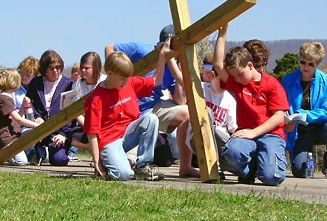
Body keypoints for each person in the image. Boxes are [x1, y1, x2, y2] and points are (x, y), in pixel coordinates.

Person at [105, 25, 198, 177]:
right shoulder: (142, 50)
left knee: (187, 112)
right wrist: (118, 80)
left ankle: (185, 167)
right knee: (126, 165)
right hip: (128, 109)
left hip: (152, 108)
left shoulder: (174, 65)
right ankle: (127, 160)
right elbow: (110, 48)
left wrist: (178, 67)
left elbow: (180, 101)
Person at [84, 37, 173, 181]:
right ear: (109, 73)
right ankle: (110, 164)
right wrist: (96, 163)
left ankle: (143, 166)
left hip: (127, 134)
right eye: (121, 78)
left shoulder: (129, 83)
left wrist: (162, 55)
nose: (125, 82)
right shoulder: (95, 99)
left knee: (151, 119)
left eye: (127, 78)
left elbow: (157, 81)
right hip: (108, 141)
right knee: (124, 175)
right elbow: (92, 133)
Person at [213, 25, 289, 185]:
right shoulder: (238, 83)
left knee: (270, 177)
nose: (237, 79)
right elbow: (218, 65)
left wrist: (255, 132)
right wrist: (222, 34)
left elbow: (279, 116)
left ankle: (267, 164)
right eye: (234, 76)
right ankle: (250, 170)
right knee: (232, 152)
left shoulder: (271, 84)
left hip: (270, 134)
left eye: (240, 74)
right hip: (246, 133)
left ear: (250, 65)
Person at [281, 41, 327, 179]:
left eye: (311, 64)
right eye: (303, 62)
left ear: (317, 64)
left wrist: (305, 114)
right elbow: (281, 106)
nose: (306, 67)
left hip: (322, 126)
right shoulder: (287, 80)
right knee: (300, 172)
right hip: (299, 130)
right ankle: (300, 156)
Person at [26, 50, 88, 166]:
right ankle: (38, 151)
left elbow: (72, 113)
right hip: (39, 128)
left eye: (58, 67)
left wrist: (64, 134)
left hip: (59, 131)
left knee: (59, 160)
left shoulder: (68, 84)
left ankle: (60, 150)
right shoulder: (36, 83)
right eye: (51, 68)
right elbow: (29, 102)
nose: (55, 70)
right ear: (45, 69)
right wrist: (37, 116)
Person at [186, 53, 237, 175]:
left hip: (221, 143)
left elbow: (233, 129)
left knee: (222, 134)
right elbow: (182, 79)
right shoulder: (200, 88)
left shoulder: (230, 100)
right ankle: (215, 168)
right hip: (198, 138)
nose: (227, 83)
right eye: (224, 79)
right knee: (207, 113)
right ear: (213, 75)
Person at [0, 69, 42, 165]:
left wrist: (23, 105)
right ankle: (1, 151)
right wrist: (36, 125)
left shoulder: (9, 97)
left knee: (34, 133)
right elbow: (19, 120)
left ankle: (21, 153)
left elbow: (16, 116)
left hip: (15, 135)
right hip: (7, 137)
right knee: (21, 162)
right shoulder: (4, 99)